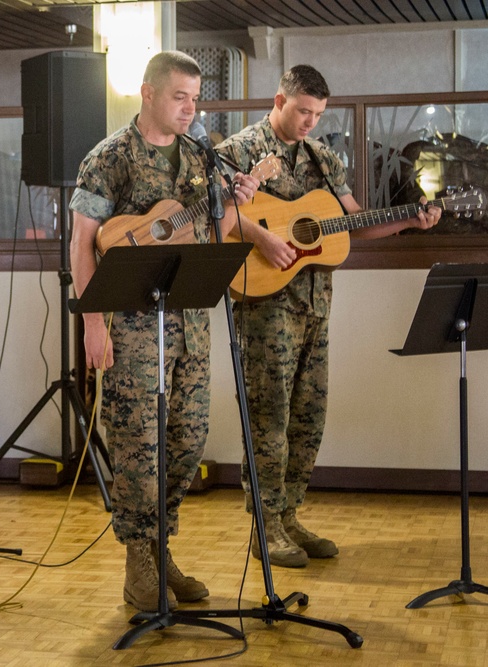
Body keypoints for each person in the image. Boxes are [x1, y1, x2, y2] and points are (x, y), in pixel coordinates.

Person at [215, 65, 441, 567]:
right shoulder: (239, 151)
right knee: (268, 419)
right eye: (302, 111)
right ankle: (265, 526)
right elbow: (219, 219)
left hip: (317, 307)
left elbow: (352, 223)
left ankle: (290, 515)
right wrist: (264, 238)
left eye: (318, 114)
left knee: (309, 419)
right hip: (265, 306)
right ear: (279, 100)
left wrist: (407, 219)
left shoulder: (322, 156)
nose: (310, 123)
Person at [69, 51, 260, 612]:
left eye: (196, 98)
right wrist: (92, 323)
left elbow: (211, 231)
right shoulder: (110, 158)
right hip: (130, 330)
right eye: (180, 97)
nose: (190, 108)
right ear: (147, 92)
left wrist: (236, 202)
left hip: (191, 326)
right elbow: (83, 244)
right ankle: (138, 565)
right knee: (137, 446)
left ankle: (160, 549)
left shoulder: (203, 158)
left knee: (186, 440)